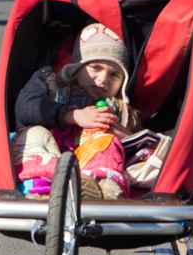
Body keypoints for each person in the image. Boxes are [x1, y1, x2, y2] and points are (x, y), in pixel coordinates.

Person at [13, 23, 137, 199]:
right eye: (96, 68)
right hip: (49, 149)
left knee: (107, 142)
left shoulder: (119, 109)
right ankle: (42, 187)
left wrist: (123, 135)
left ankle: (101, 189)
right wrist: (72, 115)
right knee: (34, 134)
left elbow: (140, 147)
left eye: (114, 75)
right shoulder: (50, 83)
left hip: (88, 164)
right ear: (78, 67)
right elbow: (24, 108)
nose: (103, 79)